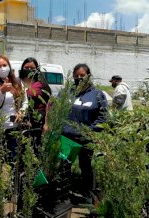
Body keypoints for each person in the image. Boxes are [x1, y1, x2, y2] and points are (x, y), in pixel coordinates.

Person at [62, 63, 108, 202]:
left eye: (82, 75)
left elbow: (103, 117)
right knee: (64, 165)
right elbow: (57, 111)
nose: (79, 78)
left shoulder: (97, 94)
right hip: (67, 137)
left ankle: (89, 194)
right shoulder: (66, 93)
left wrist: (89, 130)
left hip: (86, 138)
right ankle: (63, 193)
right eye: (76, 76)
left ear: (88, 76)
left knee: (86, 166)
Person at [0, 55, 28, 159]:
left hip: (14, 125)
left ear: (9, 66)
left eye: (4, 65)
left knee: (14, 160)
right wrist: (1, 91)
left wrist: (22, 112)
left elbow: (25, 101)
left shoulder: (17, 83)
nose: (2, 68)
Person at [19, 57, 52, 147]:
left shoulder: (41, 84)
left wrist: (46, 123)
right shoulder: (17, 83)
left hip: (37, 121)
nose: (29, 70)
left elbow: (48, 104)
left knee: (35, 146)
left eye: (32, 68)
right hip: (21, 121)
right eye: (26, 67)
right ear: (22, 68)